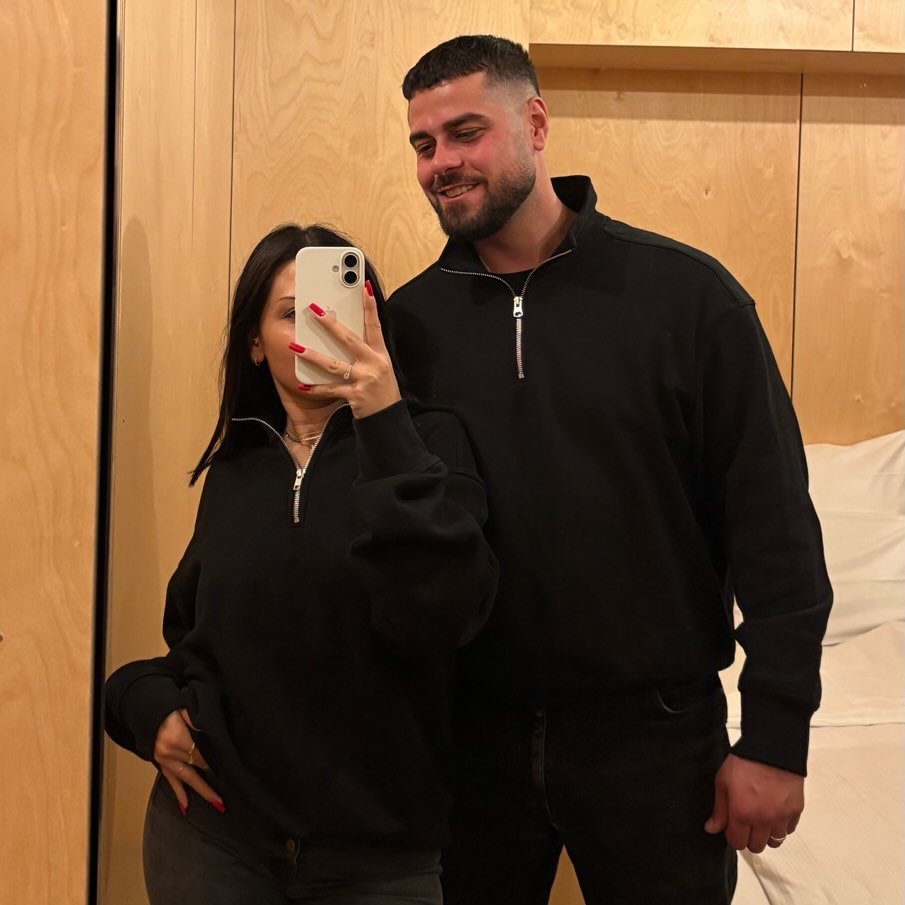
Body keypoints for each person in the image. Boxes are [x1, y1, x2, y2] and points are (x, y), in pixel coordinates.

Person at [385, 35, 833, 905]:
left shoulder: (686, 298)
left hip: (655, 739)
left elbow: (773, 528)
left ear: (535, 124)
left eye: (466, 132)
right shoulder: (408, 326)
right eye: (423, 144)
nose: (441, 163)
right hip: (471, 743)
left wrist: (776, 738)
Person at [104, 223, 497, 905]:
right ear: (254, 343)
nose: (323, 330)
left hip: (379, 859)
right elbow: (195, 643)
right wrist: (142, 704)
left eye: (340, 311)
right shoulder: (236, 467)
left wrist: (384, 423)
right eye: (293, 314)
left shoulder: (430, 443)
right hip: (216, 842)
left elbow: (445, 614)